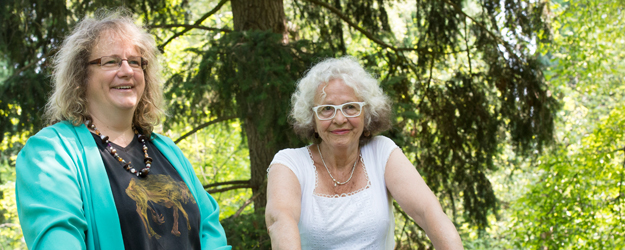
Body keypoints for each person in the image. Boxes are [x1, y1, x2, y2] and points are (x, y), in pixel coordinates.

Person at [15, 10, 230, 250]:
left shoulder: (168, 150)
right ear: (81, 77)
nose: (127, 71)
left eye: (135, 62)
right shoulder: (51, 151)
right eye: (111, 61)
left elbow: (211, 232)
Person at [265, 56, 464, 249]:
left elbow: (428, 212)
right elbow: (280, 220)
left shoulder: (382, 152)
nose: (340, 118)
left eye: (350, 107)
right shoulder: (289, 163)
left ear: (366, 115)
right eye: (327, 109)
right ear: (312, 119)